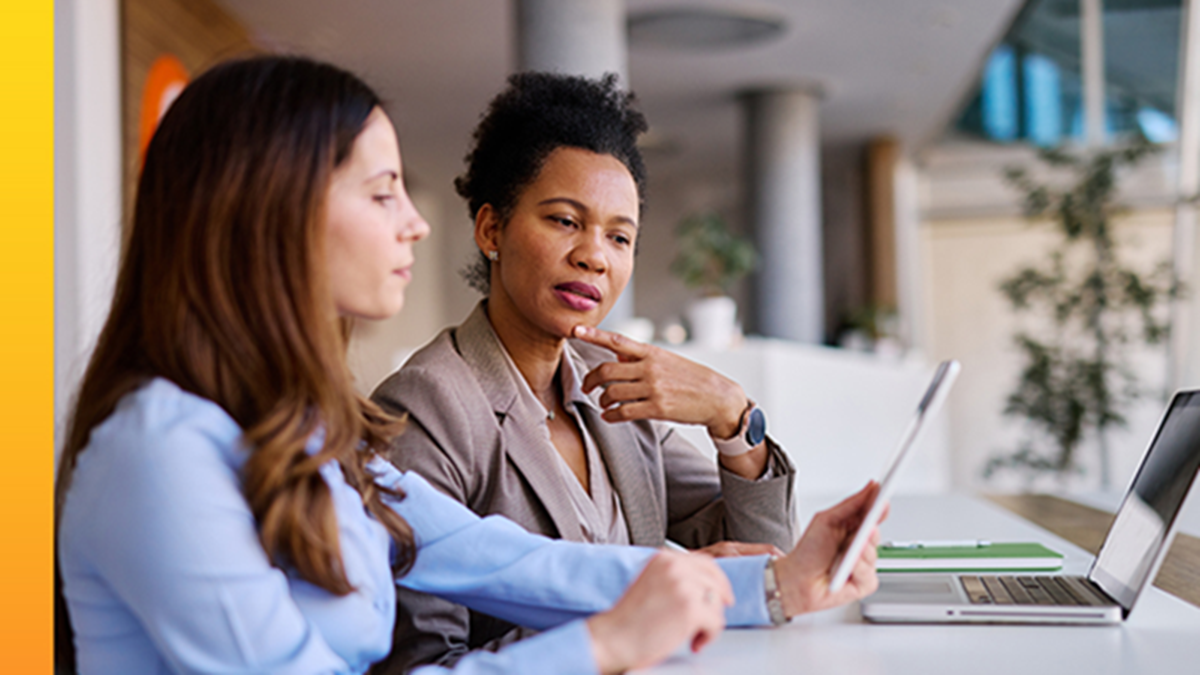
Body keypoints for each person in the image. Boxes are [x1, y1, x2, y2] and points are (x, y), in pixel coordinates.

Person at [55, 55, 882, 675]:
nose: (416, 223)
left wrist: (778, 586)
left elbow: (511, 560)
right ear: (267, 211)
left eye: (620, 234)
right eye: (382, 193)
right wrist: (603, 644)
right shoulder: (158, 453)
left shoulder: (310, 429)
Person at [369, 72, 799, 672]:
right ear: (491, 229)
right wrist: (628, 619)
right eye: (565, 221)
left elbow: (763, 550)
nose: (594, 255)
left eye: (619, 237)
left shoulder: (610, 379)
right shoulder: (426, 405)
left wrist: (731, 414)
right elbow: (423, 660)